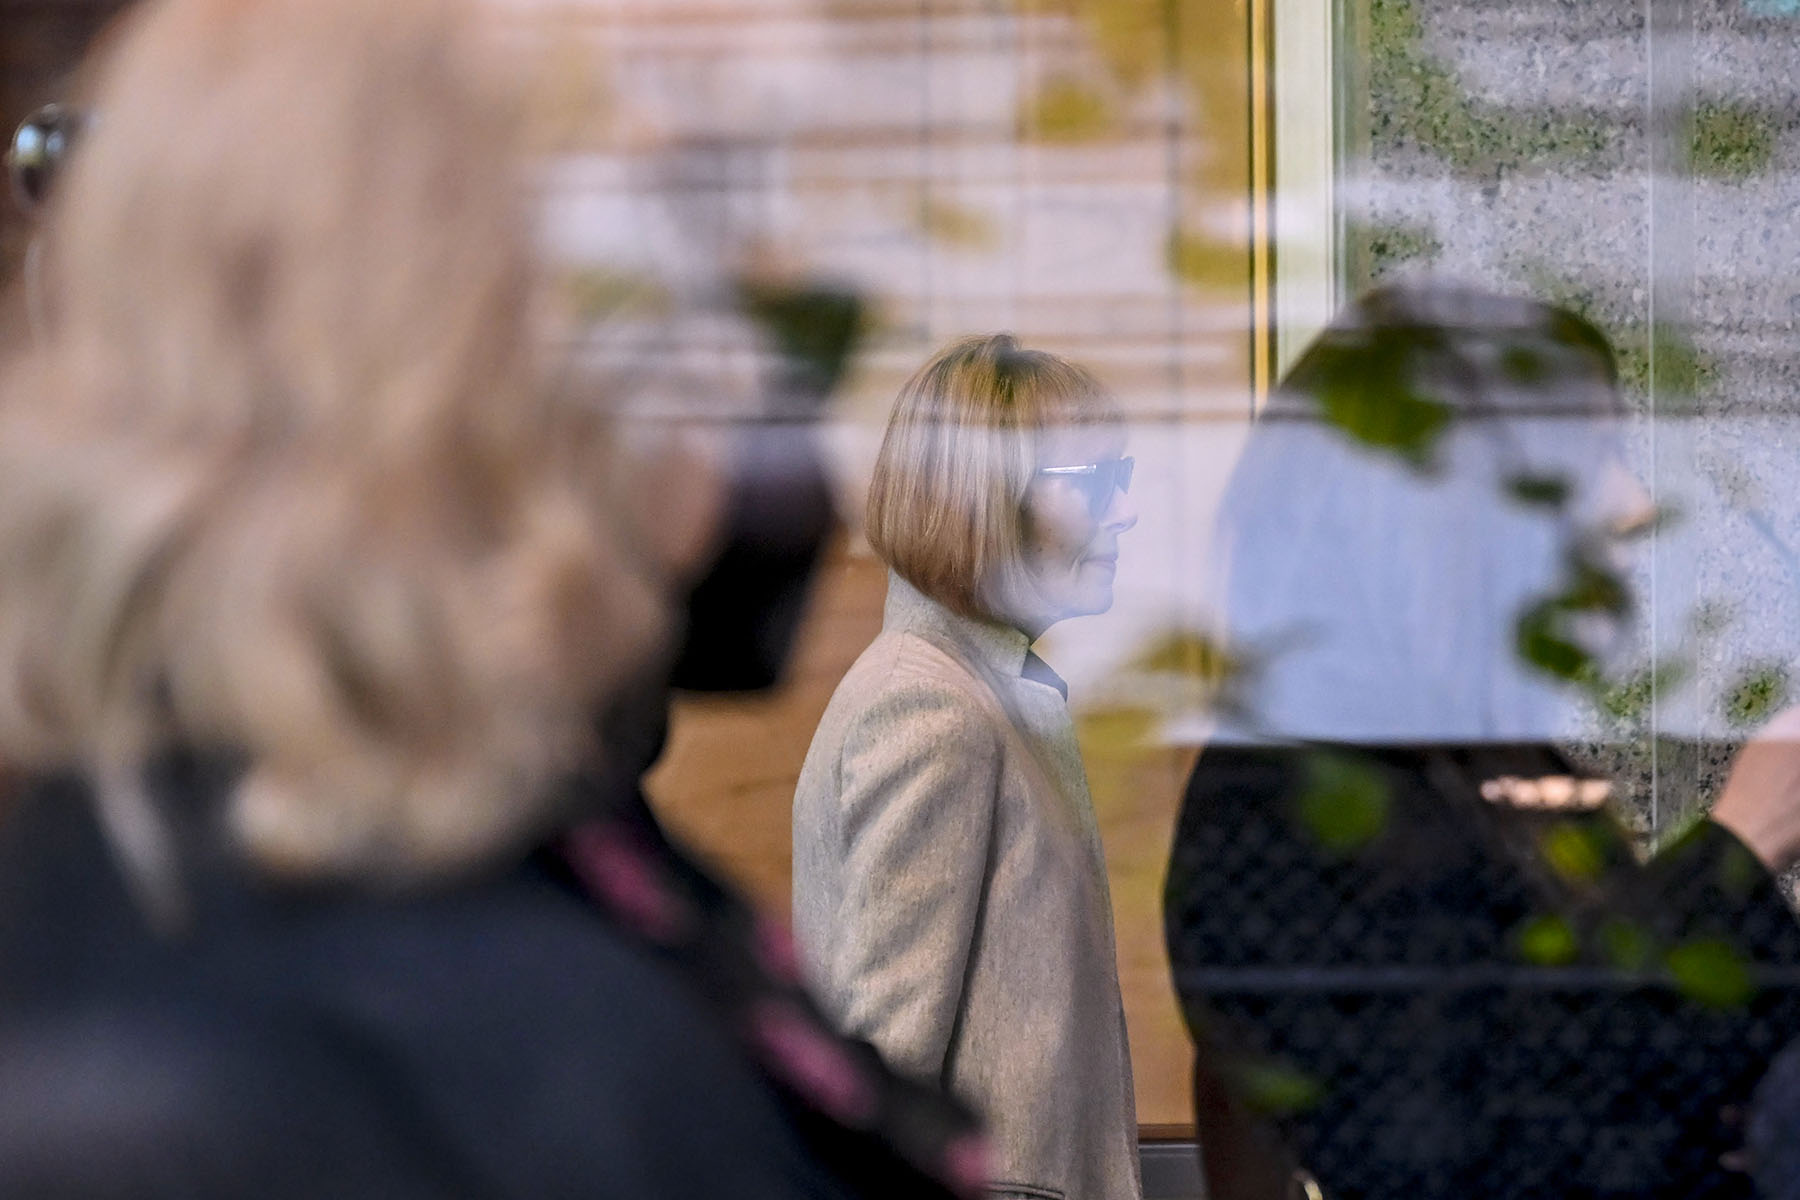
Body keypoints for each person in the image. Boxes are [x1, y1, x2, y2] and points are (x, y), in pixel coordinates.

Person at [0, 1, 983, 1196]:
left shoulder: (463, 835)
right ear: (482, 345)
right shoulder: (226, 1054)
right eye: (723, 277)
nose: (757, 387)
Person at [1163, 284, 1800, 1199]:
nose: (1632, 504)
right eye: (1592, 458)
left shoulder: (1493, 765)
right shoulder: (1290, 797)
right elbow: (1472, 1141)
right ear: (1453, 504)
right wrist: (1741, 845)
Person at [792, 334, 1144, 1200]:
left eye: (1120, 479)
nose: (1125, 512)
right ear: (984, 499)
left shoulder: (986, 690)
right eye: (1094, 485)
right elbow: (882, 1063)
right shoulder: (933, 705)